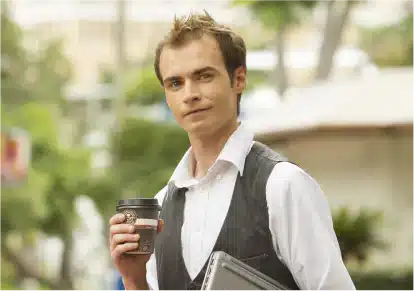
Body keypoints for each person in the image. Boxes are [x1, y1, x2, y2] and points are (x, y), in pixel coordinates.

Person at [109, 11, 356, 291]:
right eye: (175, 83)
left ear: (238, 79)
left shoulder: (282, 186)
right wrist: (133, 278)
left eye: (203, 76)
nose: (189, 94)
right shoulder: (161, 206)